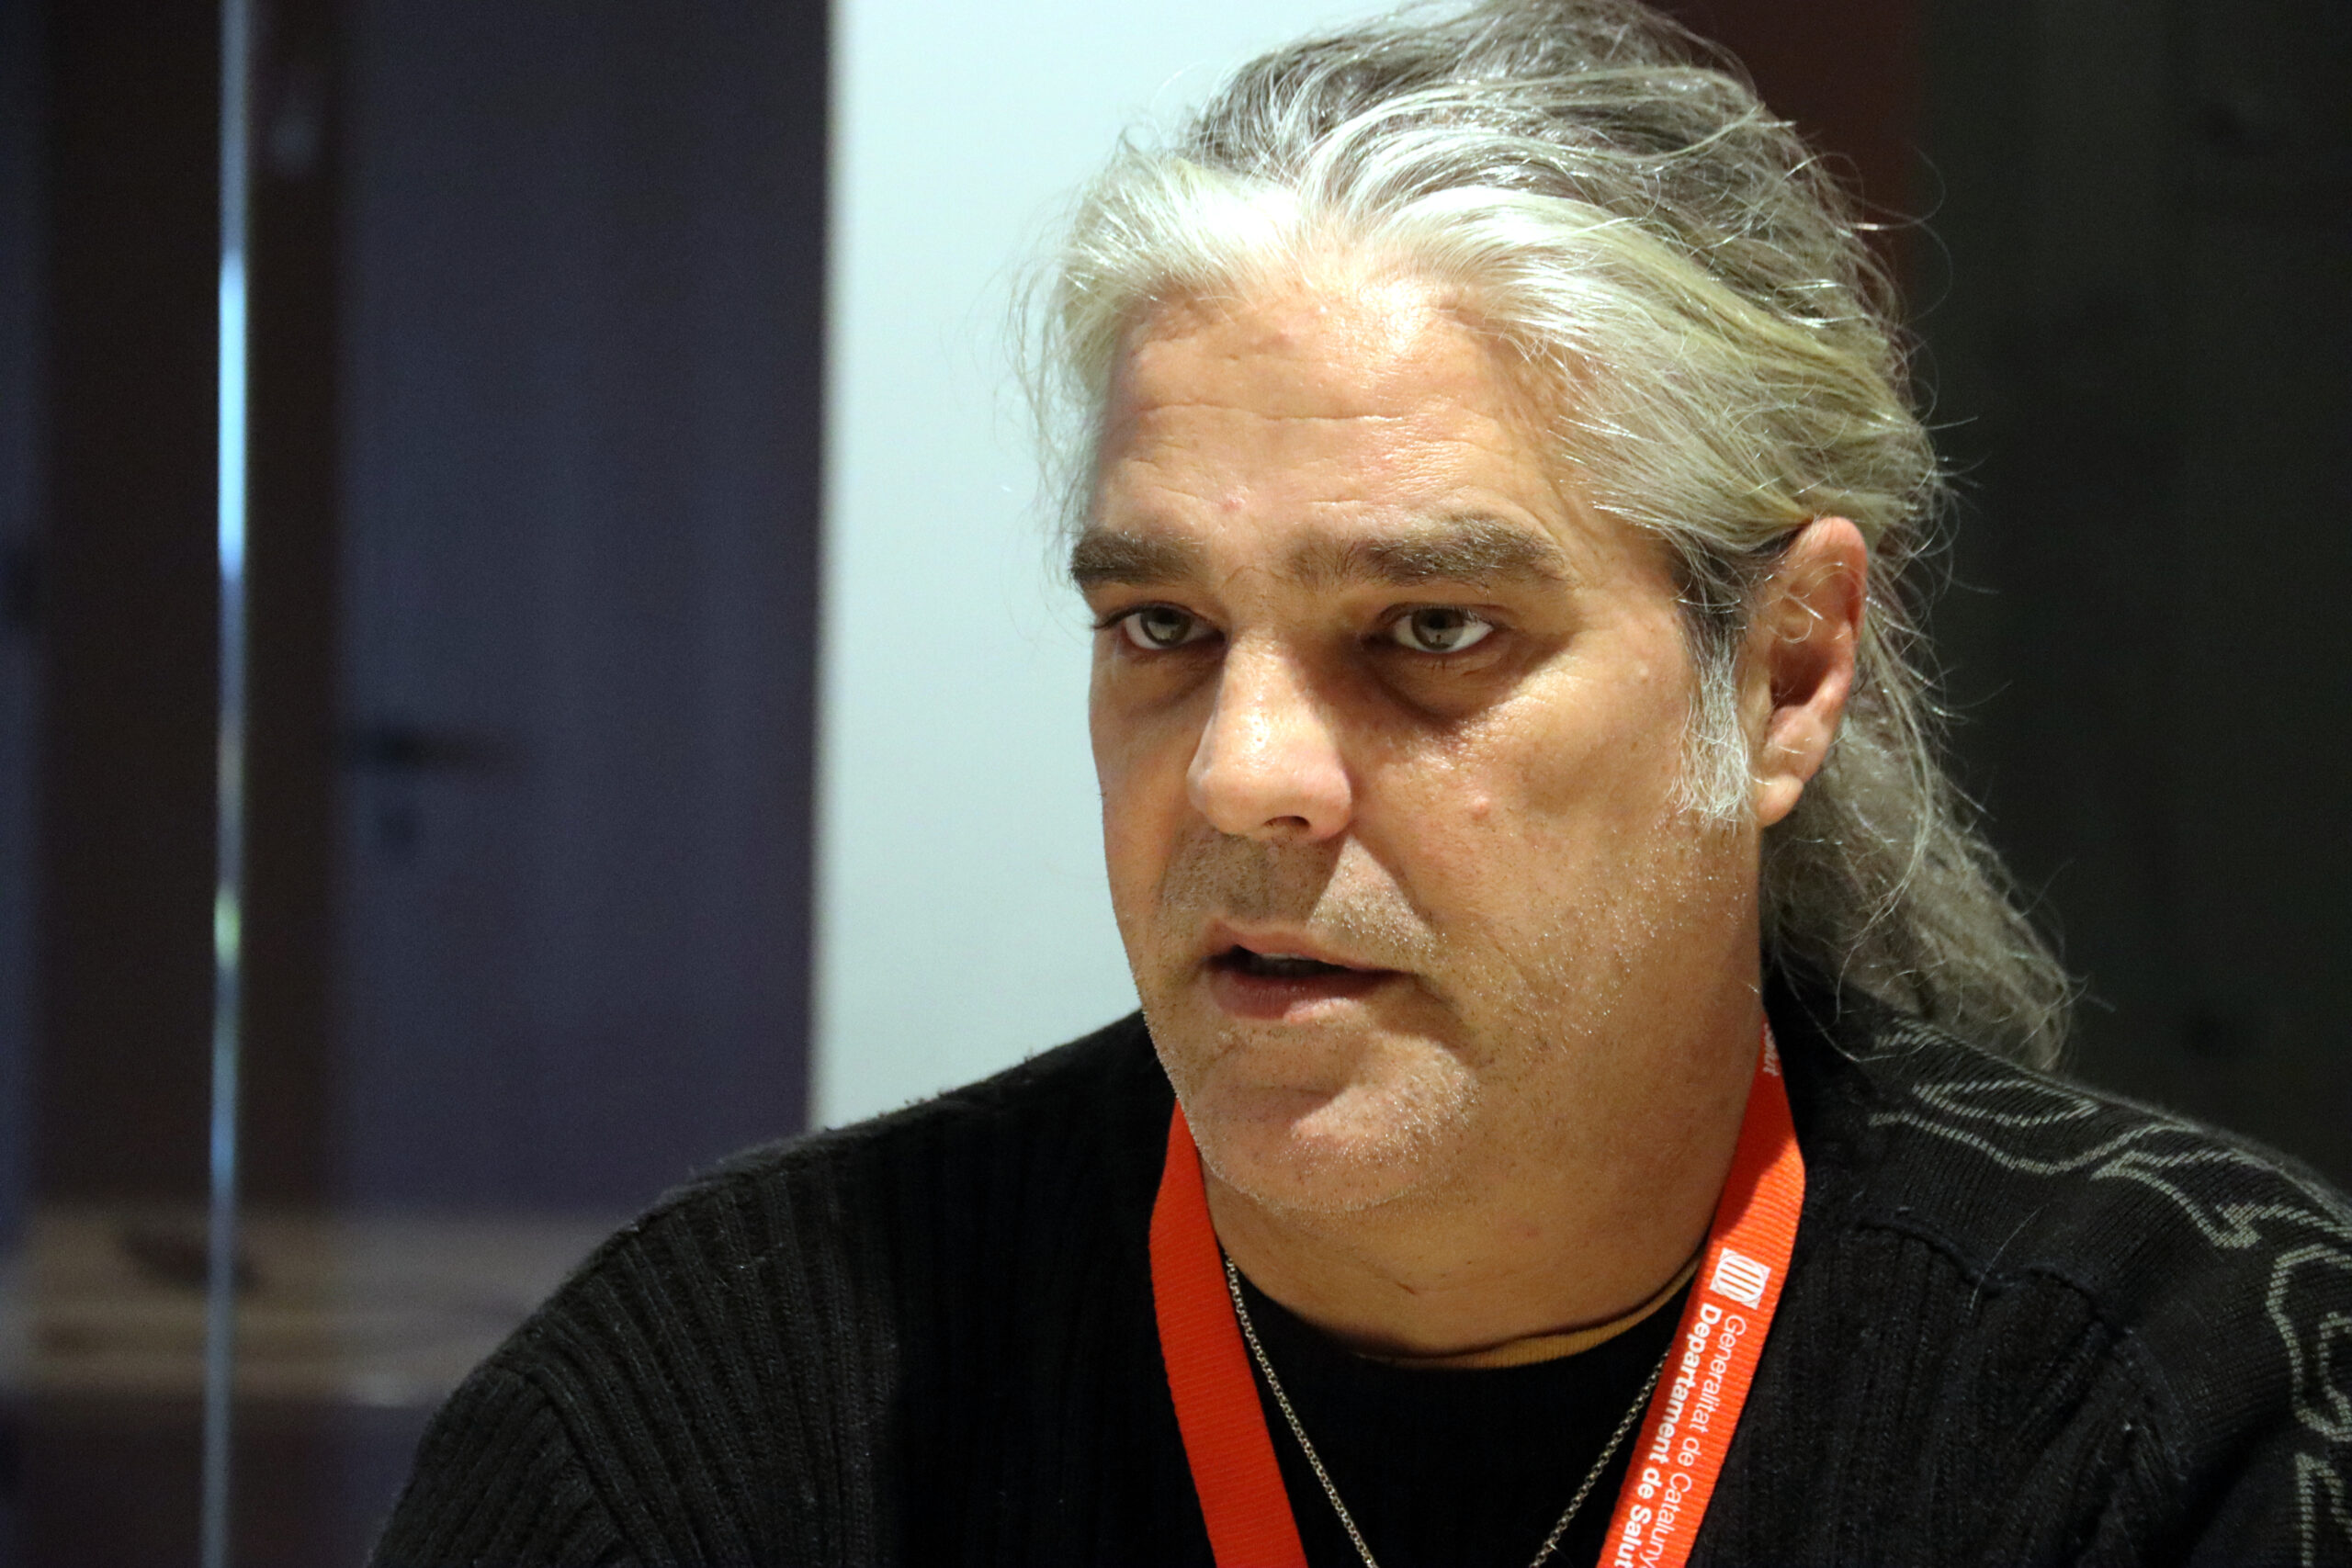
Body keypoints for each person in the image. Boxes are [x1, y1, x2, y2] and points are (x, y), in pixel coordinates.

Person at [372, 2, 2352, 1563]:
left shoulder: (2195, 1401)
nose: (1244, 775)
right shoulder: (703, 1424)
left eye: (1429, 628)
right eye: (1160, 624)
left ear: (1783, 672)